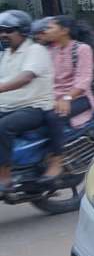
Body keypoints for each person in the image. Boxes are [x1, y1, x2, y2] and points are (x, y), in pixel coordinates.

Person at [37, 16, 94, 180]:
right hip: (54, 98)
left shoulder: (82, 49)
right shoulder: (50, 51)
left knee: (53, 116)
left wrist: (66, 97)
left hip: (79, 97)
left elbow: (84, 79)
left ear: (64, 31)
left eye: (50, 28)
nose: (46, 31)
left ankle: (57, 159)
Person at [0, 10, 55, 189]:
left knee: (3, 127)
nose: (3, 34)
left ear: (23, 31)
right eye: (1, 30)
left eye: (8, 30)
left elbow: (25, 77)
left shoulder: (35, 50)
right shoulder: (6, 53)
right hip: (8, 105)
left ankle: (4, 175)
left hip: (34, 107)